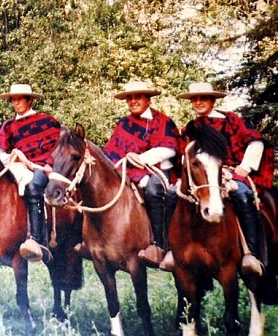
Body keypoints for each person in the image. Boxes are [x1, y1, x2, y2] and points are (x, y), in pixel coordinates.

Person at [177, 82, 274, 276]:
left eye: (203, 98)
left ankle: (252, 255)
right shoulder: (190, 127)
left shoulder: (231, 121)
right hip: (201, 176)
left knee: (243, 195)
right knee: (173, 196)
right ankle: (175, 252)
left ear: (212, 101)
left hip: (231, 171)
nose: (198, 102)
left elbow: (255, 141)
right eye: (194, 99)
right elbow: (184, 154)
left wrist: (244, 168)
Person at [103, 81, 180, 271]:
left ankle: (160, 245)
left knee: (153, 190)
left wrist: (140, 159)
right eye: (130, 98)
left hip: (158, 169)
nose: (133, 101)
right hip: (127, 169)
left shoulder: (163, 121)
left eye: (138, 97)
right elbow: (112, 151)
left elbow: (169, 149)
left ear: (148, 99)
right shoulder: (124, 123)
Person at [0, 84, 60, 262]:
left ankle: (37, 240)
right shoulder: (8, 126)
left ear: (29, 100)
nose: (16, 103)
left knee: (33, 186)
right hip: (17, 167)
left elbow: (57, 148)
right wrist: (15, 158)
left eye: (20, 99)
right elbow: (1, 153)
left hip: (42, 167)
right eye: (13, 100)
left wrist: (47, 165)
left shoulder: (46, 121)